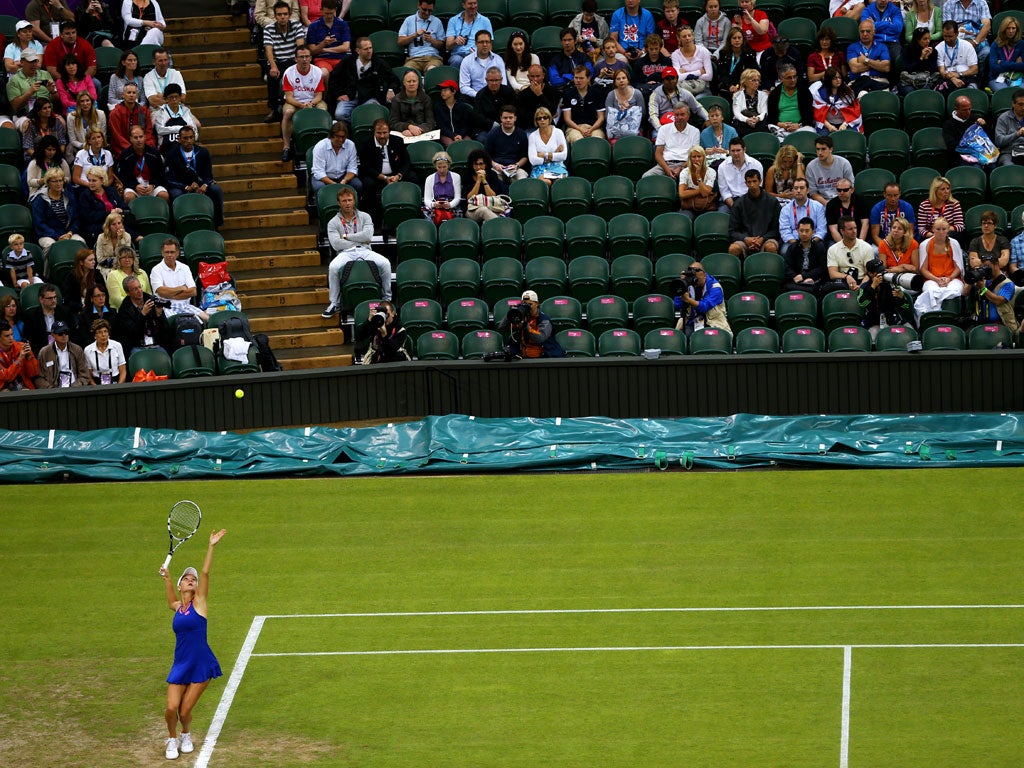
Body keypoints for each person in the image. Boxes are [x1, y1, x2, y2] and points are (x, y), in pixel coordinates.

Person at [158, 529, 227, 762]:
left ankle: (186, 734)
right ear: (181, 586)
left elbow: (206, 572)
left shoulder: (200, 604)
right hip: (181, 664)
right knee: (170, 709)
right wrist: (167, 577)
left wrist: (211, 546)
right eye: (187, 578)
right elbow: (170, 601)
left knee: (185, 711)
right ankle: (172, 738)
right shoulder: (179, 607)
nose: (192, 580)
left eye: (193, 579)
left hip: (201, 664)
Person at [320, 185, 391, 318]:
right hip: (345, 252)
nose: (347, 203)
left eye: (350, 200)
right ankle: (334, 303)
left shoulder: (365, 216)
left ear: (354, 201)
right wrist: (360, 239)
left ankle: (386, 299)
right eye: (344, 201)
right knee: (333, 267)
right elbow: (336, 244)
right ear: (339, 203)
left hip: (365, 250)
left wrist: (347, 236)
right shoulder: (333, 222)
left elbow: (368, 236)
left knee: (386, 263)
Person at [327, 35, 397, 125]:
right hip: (350, 96)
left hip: (370, 98)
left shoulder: (378, 63)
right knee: (339, 114)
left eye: (370, 48)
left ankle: (359, 124)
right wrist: (339, 94)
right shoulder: (347, 62)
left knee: (370, 114)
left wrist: (390, 90)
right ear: (358, 51)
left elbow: (393, 79)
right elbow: (334, 78)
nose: (369, 51)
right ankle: (356, 126)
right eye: (366, 49)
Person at [164, 125, 224, 227]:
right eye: (185, 138)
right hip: (181, 185)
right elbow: (169, 179)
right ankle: (179, 227)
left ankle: (216, 223)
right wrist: (186, 187)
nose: (189, 141)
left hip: (200, 184)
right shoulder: (171, 155)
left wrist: (205, 184)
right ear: (179, 139)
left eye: (191, 137)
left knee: (216, 189)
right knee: (176, 194)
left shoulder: (203, 152)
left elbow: (208, 174)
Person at [357, 118, 414, 222]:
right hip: (376, 176)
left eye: (385, 133)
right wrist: (383, 177)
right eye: (379, 133)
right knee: (368, 184)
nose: (382, 136)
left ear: (389, 132)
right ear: (374, 132)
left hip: (395, 175)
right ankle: (374, 217)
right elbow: (365, 166)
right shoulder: (366, 143)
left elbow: (406, 162)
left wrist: (398, 176)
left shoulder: (398, 141)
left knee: (413, 177)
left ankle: (411, 211)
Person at [279, 46, 326, 162]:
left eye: (307, 57)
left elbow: (319, 96)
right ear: (296, 59)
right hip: (295, 102)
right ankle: (286, 147)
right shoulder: (289, 72)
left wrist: (310, 103)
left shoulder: (317, 72)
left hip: (313, 101)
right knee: (288, 112)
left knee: (323, 112)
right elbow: (289, 97)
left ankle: (322, 145)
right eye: (301, 57)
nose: (304, 59)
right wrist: (301, 105)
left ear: (310, 58)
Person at [262, 0, 306, 122]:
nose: (283, 17)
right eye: (280, 14)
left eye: (285, 14)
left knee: (291, 71)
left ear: (289, 14)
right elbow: (268, 50)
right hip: (277, 61)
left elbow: (300, 47)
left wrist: (297, 63)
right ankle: (274, 109)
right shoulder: (268, 29)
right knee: (272, 74)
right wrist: (273, 66)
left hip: (293, 60)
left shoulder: (296, 25)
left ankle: (288, 104)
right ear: (275, 16)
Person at [914, 216, 964, 317]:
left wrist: (949, 279)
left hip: (952, 278)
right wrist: (937, 279)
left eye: (944, 229)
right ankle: (933, 318)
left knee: (954, 291)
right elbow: (923, 269)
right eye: (938, 229)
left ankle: (950, 318)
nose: (941, 232)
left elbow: (958, 267)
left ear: (948, 230)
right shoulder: (925, 244)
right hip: (931, 279)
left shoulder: (954, 243)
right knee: (931, 291)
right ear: (933, 229)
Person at [31, 168, 86, 258]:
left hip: (68, 233)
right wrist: (57, 236)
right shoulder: (39, 200)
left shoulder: (69, 196)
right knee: (51, 246)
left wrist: (69, 233)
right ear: (48, 183)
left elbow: (76, 219)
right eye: (55, 181)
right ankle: (46, 271)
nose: (58, 184)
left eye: (60, 180)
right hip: (47, 234)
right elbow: (39, 223)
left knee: (81, 243)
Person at [149, 237, 208, 321]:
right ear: (162, 253)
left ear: (177, 253)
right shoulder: (156, 270)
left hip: (186, 305)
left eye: (172, 252)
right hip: (167, 307)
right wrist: (181, 288)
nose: (169, 255)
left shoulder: (185, 267)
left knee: (207, 319)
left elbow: (193, 291)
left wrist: (169, 295)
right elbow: (161, 292)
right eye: (167, 252)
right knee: (177, 324)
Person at [857, 257, 916, 338]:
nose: (882, 274)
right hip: (874, 321)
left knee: (912, 334)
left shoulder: (891, 284)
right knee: (873, 338)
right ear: (870, 274)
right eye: (879, 272)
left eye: (883, 271)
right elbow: (862, 303)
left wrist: (901, 298)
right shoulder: (865, 287)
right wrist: (873, 287)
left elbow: (906, 306)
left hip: (894, 319)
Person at [728, 168, 781, 257]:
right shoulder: (739, 203)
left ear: (760, 181)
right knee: (733, 248)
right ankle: (739, 270)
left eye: (754, 181)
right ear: (746, 183)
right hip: (745, 240)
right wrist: (746, 239)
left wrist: (763, 238)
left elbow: (777, 229)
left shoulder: (773, 202)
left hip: (766, 239)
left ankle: (770, 271)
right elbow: (732, 230)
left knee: (771, 247)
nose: (752, 185)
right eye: (749, 182)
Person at [496, 289, 564, 358]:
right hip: (525, 356)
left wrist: (525, 326)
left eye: (530, 304)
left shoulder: (544, 320)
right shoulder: (521, 316)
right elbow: (501, 327)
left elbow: (540, 338)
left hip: (545, 357)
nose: (528, 307)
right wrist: (512, 313)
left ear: (537, 304)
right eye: (525, 304)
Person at [112, 274, 170, 353]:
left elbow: (165, 328)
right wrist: (142, 315)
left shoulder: (151, 301)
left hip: (156, 342)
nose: (139, 291)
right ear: (128, 293)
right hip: (136, 345)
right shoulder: (124, 310)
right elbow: (133, 334)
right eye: (135, 289)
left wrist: (159, 315)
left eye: (139, 287)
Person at [648, 67, 707, 140]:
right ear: (663, 80)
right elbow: (653, 115)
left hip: (682, 124)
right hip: (663, 125)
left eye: (672, 78)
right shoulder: (655, 95)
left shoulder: (685, 93)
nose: (670, 81)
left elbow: (698, 108)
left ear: (677, 79)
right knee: (657, 137)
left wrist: (707, 119)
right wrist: (660, 128)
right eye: (667, 79)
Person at [115, 124, 170, 203]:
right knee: (128, 196)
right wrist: (135, 185)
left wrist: (153, 185)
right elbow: (123, 176)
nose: (139, 140)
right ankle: (132, 216)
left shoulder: (154, 153)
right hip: (134, 185)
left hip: (152, 185)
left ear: (145, 137)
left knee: (164, 195)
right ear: (130, 139)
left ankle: (163, 214)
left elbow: (161, 174)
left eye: (141, 137)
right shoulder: (125, 155)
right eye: (135, 137)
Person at [963, 252, 1016, 333]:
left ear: (996, 264)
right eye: (983, 267)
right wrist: (973, 276)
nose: (985, 270)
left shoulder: (1007, 283)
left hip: (1001, 325)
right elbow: (964, 292)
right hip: (980, 324)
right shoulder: (982, 280)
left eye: (987, 267)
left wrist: (983, 289)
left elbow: (998, 301)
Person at [645, 102, 699, 178]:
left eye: (682, 114)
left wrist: (681, 168)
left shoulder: (695, 131)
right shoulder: (663, 129)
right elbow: (658, 154)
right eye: (677, 115)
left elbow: (695, 155)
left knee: (697, 177)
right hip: (665, 164)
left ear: (688, 116)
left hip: (686, 165)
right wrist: (666, 169)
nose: (679, 117)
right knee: (646, 177)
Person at [675, 261, 730, 336]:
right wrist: (681, 285)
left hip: (713, 323)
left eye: (697, 279)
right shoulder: (689, 284)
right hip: (692, 321)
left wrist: (688, 300)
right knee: (684, 336)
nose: (695, 282)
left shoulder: (715, 287)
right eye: (693, 279)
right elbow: (677, 304)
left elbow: (704, 306)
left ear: (705, 275)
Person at [76, 165, 127, 245]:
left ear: (102, 180)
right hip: (97, 227)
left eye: (94, 180)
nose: (91, 183)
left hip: (117, 223)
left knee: (124, 225)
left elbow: (124, 207)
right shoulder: (85, 195)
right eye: (89, 180)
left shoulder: (111, 191)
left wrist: (120, 210)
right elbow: (89, 217)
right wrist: (109, 213)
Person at [7, 50, 56, 131]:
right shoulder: (14, 80)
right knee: (29, 125)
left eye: (35, 61)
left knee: (61, 122)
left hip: (47, 113)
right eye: (30, 61)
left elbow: (56, 99)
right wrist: (29, 93)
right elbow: (15, 106)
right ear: (22, 62)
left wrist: (52, 91)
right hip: (24, 115)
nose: (34, 64)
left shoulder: (45, 74)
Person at [941, 0, 990, 79]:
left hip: (977, 41)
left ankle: (979, 82)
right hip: (956, 42)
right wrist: (962, 44)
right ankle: (956, 81)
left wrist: (975, 42)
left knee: (986, 52)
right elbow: (948, 28)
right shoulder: (949, 4)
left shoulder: (981, 2)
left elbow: (986, 26)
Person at [35, 319, 92, 387]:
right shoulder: (44, 352)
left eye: (66, 332)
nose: (64, 335)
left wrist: (75, 387)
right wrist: (51, 389)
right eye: (60, 333)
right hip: (53, 391)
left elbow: (85, 375)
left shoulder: (77, 350)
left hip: (75, 389)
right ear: (53, 335)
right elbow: (39, 378)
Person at [23, 282, 75, 354]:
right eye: (50, 298)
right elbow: (29, 339)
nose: (53, 301)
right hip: (41, 352)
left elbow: (72, 334)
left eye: (55, 297)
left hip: (63, 349)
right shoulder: (31, 316)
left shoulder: (65, 312)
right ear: (41, 299)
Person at [766, 64, 814, 140]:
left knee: (809, 133)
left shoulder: (804, 91)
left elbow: (809, 114)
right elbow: (771, 117)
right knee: (774, 137)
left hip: (801, 127)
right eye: (789, 78)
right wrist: (781, 124)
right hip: (780, 128)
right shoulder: (775, 93)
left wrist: (798, 125)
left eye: (794, 76)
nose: (793, 80)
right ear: (781, 79)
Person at [310, 120, 359, 193]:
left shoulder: (350, 145)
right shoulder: (320, 146)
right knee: (320, 188)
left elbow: (352, 168)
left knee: (357, 185)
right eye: (338, 136)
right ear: (331, 135)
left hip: (343, 176)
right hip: (324, 177)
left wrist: (345, 180)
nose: (341, 140)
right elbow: (319, 172)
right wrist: (334, 185)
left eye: (343, 137)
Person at [304, 0, 350, 79]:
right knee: (323, 74)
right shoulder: (313, 26)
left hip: (340, 58)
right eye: (326, 13)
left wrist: (324, 49)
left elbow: (345, 47)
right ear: (321, 10)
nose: (329, 16)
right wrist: (323, 43)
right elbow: (312, 50)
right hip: (322, 59)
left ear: (335, 10)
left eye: (331, 13)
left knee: (346, 72)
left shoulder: (342, 24)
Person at [783, 217, 830, 294]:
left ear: (813, 232)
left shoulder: (820, 247)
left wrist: (805, 277)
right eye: (801, 231)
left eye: (807, 231)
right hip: (796, 281)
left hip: (814, 280)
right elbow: (787, 267)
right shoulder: (792, 248)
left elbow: (822, 268)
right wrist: (797, 277)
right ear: (797, 231)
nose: (804, 234)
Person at [827, 215, 875, 290]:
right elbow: (832, 273)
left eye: (855, 228)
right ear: (842, 231)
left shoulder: (866, 247)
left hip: (862, 281)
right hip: (843, 282)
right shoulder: (833, 249)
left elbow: (869, 274)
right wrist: (847, 276)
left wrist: (860, 287)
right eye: (850, 229)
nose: (854, 231)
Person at [943, 93, 989, 169]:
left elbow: (988, 138)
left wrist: (984, 125)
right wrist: (969, 144)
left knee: (993, 165)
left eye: (969, 109)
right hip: (960, 156)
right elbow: (951, 145)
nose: (968, 112)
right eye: (964, 110)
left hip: (981, 153)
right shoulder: (949, 124)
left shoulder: (976, 119)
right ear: (956, 109)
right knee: (976, 167)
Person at [482, 106, 529, 182]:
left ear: (515, 118)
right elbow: (486, 156)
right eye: (505, 118)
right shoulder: (492, 134)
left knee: (522, 179)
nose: (508, 120)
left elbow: (525, 157)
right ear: (501, 118)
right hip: (497, 168)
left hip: (515, 168)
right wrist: (495, 165)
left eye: (510, 117)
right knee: (493, 179)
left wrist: (517, 165)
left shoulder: (521, 134)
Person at [561, 66, 606, 144]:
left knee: (597, 141)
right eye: (576, 78)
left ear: (588, 78)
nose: (578, 81)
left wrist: (591, 129)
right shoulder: (568, 94)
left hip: (594, 127)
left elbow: (601, 118)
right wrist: (581, 130)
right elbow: (567, 119)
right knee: (579, 141)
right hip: (574, 128)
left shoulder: (597, 93)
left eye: (581, 78)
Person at [397, 0, 444, 74]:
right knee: (407, 74)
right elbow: (400, 41)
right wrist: (415, 35)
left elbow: (441, 45)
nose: (427, 13)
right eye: (424, 10)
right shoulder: (409, 20)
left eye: (430, 10)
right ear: (419, 5)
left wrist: (431, 40)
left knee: (432, 72)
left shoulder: (437, 21)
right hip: (414, 59)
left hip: (432, 58)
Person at [718, 136, 763, 213]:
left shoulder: (756, 165)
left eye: (738, 150)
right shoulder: (722, 167)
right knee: (722, 214)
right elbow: (724, 192)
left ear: (744, 150)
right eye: (733, 151)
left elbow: (757, 187)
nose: (735, 153)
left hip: (751, 199)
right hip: (730, 201)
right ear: (729, 151)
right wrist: (735, 207)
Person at [810, 67, 861, 136]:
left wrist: (844, 125)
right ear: (828, 80)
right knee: (822, 138)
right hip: (826, 124)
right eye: (834, 78)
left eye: (839, 77)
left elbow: (854, 112)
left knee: (852, 136)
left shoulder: (848, 93)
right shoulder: (819, 94)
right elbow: (818, 114)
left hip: (846, 123)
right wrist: (829, 126)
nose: (838, 80)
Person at [462, 147, 508, 223]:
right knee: (483, 210)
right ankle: (500, 226)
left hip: (491, 206)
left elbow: (492, 195)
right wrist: (478, 181)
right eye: (475, 164)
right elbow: (469, 198)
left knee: (489, 215)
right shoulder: (467, 175)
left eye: (481, 164)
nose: (478, 167)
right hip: (472, 210)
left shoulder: (492, 174)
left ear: (486, 164)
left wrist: (484, 180)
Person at [806, 135, 855, 204]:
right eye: (817, 149)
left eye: (823, 149)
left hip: (842, 199)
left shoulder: (844, 163)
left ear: (831, 149)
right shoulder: (811, 166)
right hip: (821, 203)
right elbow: (813, 193)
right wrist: (828, 204)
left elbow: (850, 187)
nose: (820, 152)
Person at [847, 18, 891, 96]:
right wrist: (876, 63)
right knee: (862, 95)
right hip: (858, 81)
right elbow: (855, 68)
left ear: (874, 32)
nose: (865, 34)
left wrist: (866, 60)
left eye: (868, 31)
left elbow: (886, 67)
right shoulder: (852, 47)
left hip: (879, 80)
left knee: (884, 98)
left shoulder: (882, 47)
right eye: (862, 31)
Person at [877, 216, 922, 291]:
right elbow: (883, 268)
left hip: (907, 277)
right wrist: (905, 268)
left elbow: (915, 269)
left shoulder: (913, 243)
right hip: (889, 277)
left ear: (905, 232)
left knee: (903, 289)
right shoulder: (883, 244)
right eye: (894, 227)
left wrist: (901, 268)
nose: (895, 230)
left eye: (899, 229)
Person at [389, 69, 435, 141]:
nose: (411, 83)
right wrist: (408, 127)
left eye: (414, 81)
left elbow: (430, 122)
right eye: (409, 81)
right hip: (403, 134)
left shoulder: (426, 99)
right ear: (404, 83)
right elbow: (393, 122)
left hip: (422, 135)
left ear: (418, 82)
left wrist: (417, 130)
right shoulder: (396, 100)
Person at [470, 66, 516, 139]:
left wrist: (505, 123)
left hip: (508, 125)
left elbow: (514, 110)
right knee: (482, 138)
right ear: (486, 80)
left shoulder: (509, 92)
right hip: (487, 128)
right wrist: (492, 124)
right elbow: (478, 116)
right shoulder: (480, 95)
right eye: (491, 80)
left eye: (497, 80)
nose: (494, 83)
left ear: (501, 80)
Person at [445, 0, 492, 70]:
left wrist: (479, 52)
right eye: (470, 4)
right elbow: (448, 46)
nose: (473, 6)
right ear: (463, 5)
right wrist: (455, 41)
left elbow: (490, 45)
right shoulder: (453, 20)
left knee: (475, 60)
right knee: (456, 60)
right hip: (458, 55)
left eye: (475, 3)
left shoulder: (485, 21)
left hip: (477, 54)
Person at [916, 176, 964, 244]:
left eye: (948, 188)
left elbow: (960, 226)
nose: (946, 191)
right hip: (930, 236)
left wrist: (942, 231)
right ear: (935, 191)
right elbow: (921, 229)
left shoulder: (954, 204)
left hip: (950, 236)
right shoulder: (924, 205)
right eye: (943, 189)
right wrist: (933, 235)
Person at [779, 178, 826, 246]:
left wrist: (811, 243)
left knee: (820, 248)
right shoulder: (785, 209)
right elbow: (784, 231)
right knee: (784, 251)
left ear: (807, 190)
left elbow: (822, 229)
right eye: (796, 188)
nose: (798, 191)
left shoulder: (818, 207)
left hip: (813, 241)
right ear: (792, 191)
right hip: (793, 241)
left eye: (802, 188)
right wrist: (796, 244)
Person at [108, 83, 151, 157]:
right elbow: (117, 136)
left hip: (142, 148)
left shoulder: (144, 111)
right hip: (122, 149)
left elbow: (148, 132)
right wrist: (132, 149)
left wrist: (144, 147)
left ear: (137, 95)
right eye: (129, 92)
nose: (131, 95)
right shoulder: (115, 113)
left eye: (134, 93)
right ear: (123, 95)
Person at [870, 183, 916, 252]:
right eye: (889, 195)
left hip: (903, 242)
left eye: (895, 195)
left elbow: (910, 232)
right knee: (874, 251)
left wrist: (900, 247)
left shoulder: (907, 207)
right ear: (884, 194)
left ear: (900, 194)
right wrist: (886, 248)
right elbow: (875, 236)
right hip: (883, 241)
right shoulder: (877, 209)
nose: (893, 199)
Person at [527, 107, 567, 185]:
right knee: (546, 182)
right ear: (536, 121)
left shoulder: (558, 132)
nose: (542, 120)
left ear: (549, 118)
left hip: (558, 166)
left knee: (559, 182)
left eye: (545, 117)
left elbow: (564, 156)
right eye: (539, 118)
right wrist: (554, 154)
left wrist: (544, 155)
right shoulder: (532, 136)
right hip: (539, 168)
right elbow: (533, 160)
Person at [936, 19, 979, 91]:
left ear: (957, 34)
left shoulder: (967, 45)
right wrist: (953, 78)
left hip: (966, 76)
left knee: (972, 89)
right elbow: (942, 71)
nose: (947, 39)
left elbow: (974, 69)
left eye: (950, 36)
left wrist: (959, 74)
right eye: (945, 36)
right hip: (948, 78)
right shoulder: (939, 48)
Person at [604, 68, 645, 143]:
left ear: (628, 80)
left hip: (634, 129)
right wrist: (621, 112)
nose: (621, 81)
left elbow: (643, 114)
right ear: (615, 82)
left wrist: (629, 111)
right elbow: (607, 116)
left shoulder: (637, 93)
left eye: (623, 78)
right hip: (615, 130)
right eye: (618, 79)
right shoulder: (611, 95)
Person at [861, 0, 904, 70]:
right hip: (874, 41)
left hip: (892, 42)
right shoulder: (867, 10)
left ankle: (895, 81)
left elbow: (897, 28)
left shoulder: (895, 10)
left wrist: (875, 25)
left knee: (897, 60)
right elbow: (866, 27)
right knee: (873, 60)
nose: (883, 0)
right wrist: (887, 23)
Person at [515, 65, 560, 132]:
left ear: (543, 76)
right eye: (532, 76)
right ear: (528, 77)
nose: (535, 79)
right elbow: (522, 117)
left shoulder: (553, 91)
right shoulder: (522, 94)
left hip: (548, 126)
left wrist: (540, 94)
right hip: (530, 128)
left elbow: (553, 112)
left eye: (538, 76)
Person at [677, 145, 717, 219]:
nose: (696, 159)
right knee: (684, 218)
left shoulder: (711, 171)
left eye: (699, 156)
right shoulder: (684, 172)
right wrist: (701, 190)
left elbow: (705, 194)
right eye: (694, 157)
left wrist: (698, 175)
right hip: (688, 206)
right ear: (690, 159)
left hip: (706, 206)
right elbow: (682, 194)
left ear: (704, 158)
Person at [21, 97, 68, 162]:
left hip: (55, 157)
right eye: (44, 108)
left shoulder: (57, 122)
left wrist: (55, 156)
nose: (48, 110)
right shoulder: (31, 125)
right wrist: (42, 159)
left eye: (49, 107)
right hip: (35, 159)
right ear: (38, 112)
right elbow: (28, 147)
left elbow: (62, 143)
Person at [0, 319, 41, 391]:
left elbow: (33, 373)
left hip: (22, 385)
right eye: (7, 336)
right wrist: (20, 358)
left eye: (12, 334)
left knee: (26, 392)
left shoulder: (21, 347)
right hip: (3, 387)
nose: (11, 338)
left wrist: (29, 357)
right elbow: (7, 377)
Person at [66, 90, 106, 164]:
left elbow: (103, 136)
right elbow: (72, 140)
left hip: (97, 148)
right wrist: (85, 146)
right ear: (78, 103)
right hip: (78, 149)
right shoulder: (71, 117)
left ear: (92, 102)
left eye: (87, 100)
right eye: (82, 101)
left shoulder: (101, 114)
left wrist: (94, 147)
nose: (85, 104)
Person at [898, 26, 940, 96]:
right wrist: (921, 58)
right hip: (909, 80)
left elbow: (933, 71)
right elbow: (906, 69)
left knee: (926, 92)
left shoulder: (933, 51)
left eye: (929, 38)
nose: (928, 41)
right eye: (925, 39)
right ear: (917, 40)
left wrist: (926, 58)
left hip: (926, 80)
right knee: (911, 93)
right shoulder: (907, 50)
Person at [716, 27, 758, 99]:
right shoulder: (723, 53)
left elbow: (751, 72)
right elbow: (722, 73)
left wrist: (742, 84)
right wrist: (730, 85)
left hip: (744, 84)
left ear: (743, 39)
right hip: (727, 83)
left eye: (739, 38)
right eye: (734, 38)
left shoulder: (750, 54)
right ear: (730, 40)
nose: (737, 40)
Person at [670, 25, 712, 95]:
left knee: (699, 100)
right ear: (678, 38)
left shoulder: (703, 51)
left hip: (702, 88)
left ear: (693, 36)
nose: (687, 38)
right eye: (684, 36)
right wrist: (699, 72)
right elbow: (677, 78)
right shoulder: (675, 54)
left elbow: (709, 76)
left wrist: (685, 73)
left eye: (689, 35)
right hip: (683, 89)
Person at [81, 317, 125, 383]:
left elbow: (123, 371)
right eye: (100, 332)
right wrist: (96, 389)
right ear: (95, 335)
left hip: (115, 382)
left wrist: (118, 387)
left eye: (105, 331)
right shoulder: (88, 350)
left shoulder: (117, 345)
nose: (103, 335)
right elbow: (89, 375)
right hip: (97, 383)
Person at [988, 15, 1024, 92]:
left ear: (1017, 30)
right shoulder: (995, 44)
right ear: (1003, 29)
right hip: (997, 78)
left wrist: (1002, 62)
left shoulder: (1021, 44)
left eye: (1013, 28)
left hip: (1017, 77)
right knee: (1005, 93)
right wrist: (1016, 65)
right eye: (1008, 28)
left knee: (1020, 92)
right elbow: (993, 68)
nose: (1011, 31)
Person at [549, 28, 590, 92]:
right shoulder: (555, 60)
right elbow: (554, 81)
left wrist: (566, 77)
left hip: (584, 91)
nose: (567, 43)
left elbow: (590, 73)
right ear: (561, 42)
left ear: (575, 41)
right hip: (563, 92)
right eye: (564, 40)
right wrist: (577, 78)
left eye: (569, 40)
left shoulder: (584, 57)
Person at [434, 80, 473, 148]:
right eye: (442, 90)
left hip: (462, 134)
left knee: (469, 145)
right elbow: (441, 126)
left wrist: (460, 135)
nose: (442, 92)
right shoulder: (438, 106)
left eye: (445, 90)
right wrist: (453, 136)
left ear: (453, 91)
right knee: (452, 145)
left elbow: (466, 125)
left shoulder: (463, 106)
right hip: (446, 134)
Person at [423, 150, 462, 217]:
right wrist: (433, 204)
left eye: (444, 167)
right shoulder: (429, 178)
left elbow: (457, 197)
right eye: (439, 167)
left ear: (448, 165)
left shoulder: (456, 177)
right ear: (435, 166)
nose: (442, 170)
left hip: (451, 205)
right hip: (435, 205)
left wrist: (450, 204)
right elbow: (427, 199)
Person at [731, 67, 767, 137]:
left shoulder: (763, 95)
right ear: (745, 82)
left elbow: (764, 112)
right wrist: (747, 120)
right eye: (753, 80)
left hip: (758, 122)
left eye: (758, 80)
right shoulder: (737, 95)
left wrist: (757, 118)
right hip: (742, 123)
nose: (757, 83)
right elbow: (737, 113)